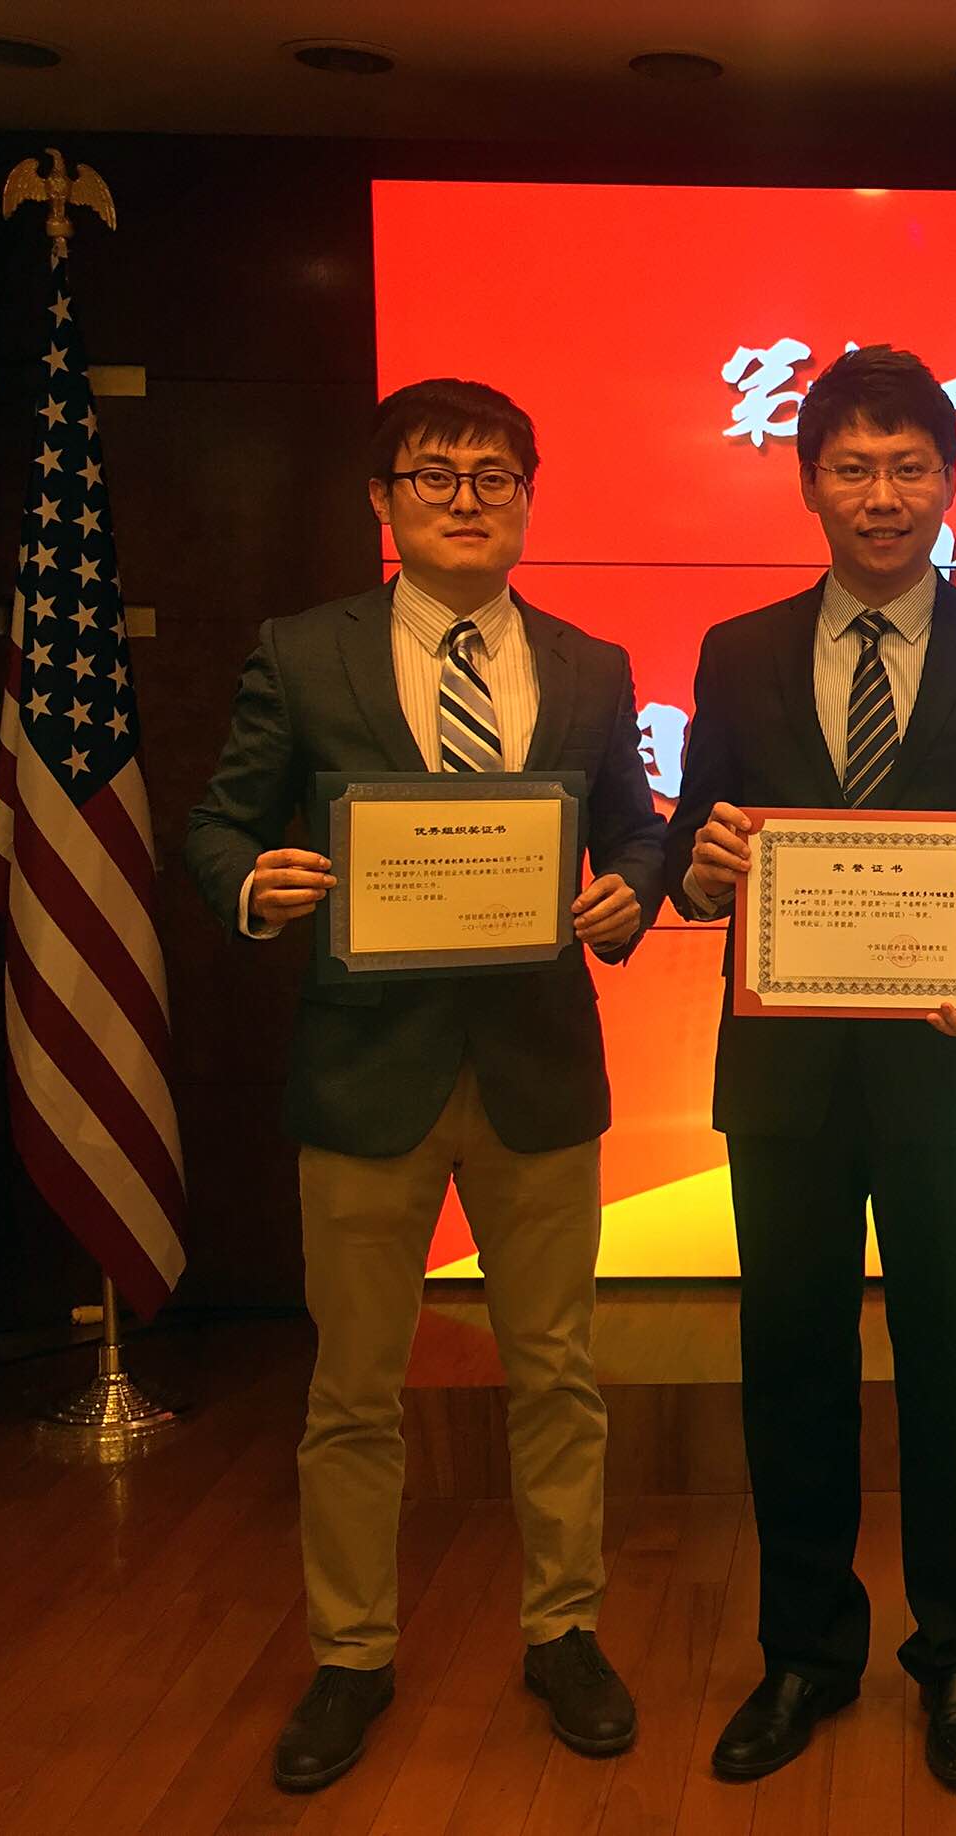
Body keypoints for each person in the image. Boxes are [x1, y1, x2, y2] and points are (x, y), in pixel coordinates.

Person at [184, 379, 663, 1793]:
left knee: (558, 1373)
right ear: (381, 502)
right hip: (363, 1074)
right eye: (434, 474)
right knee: (352, 1389)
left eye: (494, 476)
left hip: (536, 1073)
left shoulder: (589, 665)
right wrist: (254, 885)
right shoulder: (302, 653)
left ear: (527, 498)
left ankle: (565, 1632)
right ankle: (351, 1653)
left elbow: (638, 832)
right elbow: (218, 825)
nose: (466, 498)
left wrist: (630, 894)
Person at [663, 345, 956, 1790]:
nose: (883, 494)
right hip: (785, 1084)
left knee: (954, 1372)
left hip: (949, 1076)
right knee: (790, 1367)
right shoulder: (738, 651)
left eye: (910, 466)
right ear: (808, 486)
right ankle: (805, 1654)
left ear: (952, 484)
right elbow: (696, 854)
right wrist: (703, 871)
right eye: (853, 467)